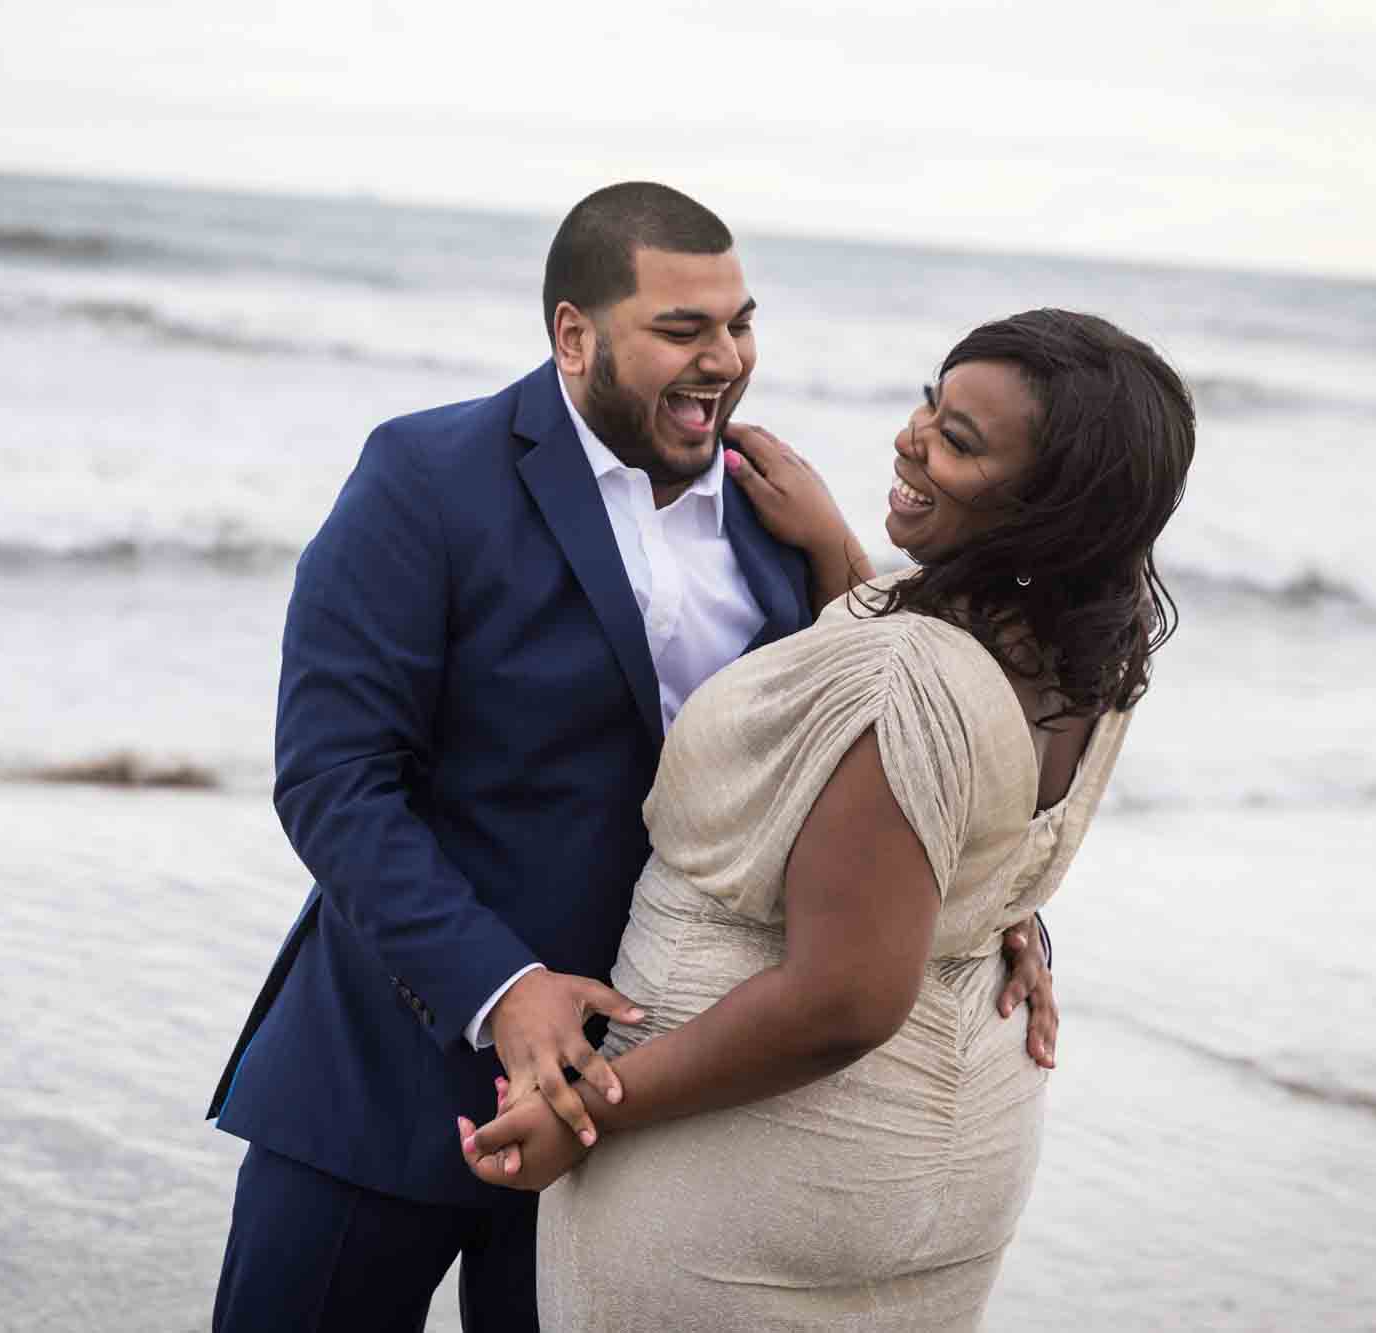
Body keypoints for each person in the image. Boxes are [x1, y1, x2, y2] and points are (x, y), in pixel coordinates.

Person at [204, 183, 1059, 1330]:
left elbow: (887, 760)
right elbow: (333, 781)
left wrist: (995, 902)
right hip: (382, 1081)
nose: (724, 359)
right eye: (681, 329)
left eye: (739, 323)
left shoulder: (777, 517)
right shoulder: (425, 477)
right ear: (573, 334)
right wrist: (498, 990)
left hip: (637, 1126)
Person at [459, 308, 1196, 1330]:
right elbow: (948, 789)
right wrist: (837, 553)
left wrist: (585, 1110)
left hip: (756, 1168)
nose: (911, 436)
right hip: (947, 1147)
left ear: (1050, 509)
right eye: (931, 403)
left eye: (959, 442)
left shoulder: (902, 678)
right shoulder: (1090, 660)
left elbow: (839, 999)